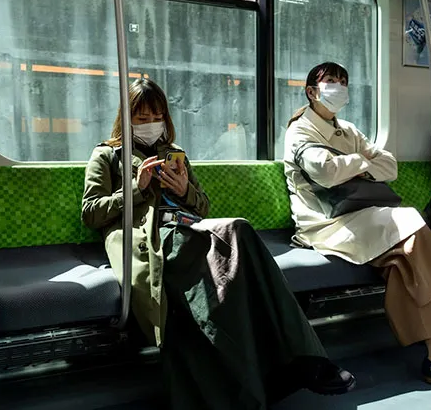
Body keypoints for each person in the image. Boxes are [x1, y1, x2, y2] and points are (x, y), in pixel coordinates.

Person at [81, 78, 354, 409]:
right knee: (237, 235)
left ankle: (297, 363)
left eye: (156, 116)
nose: (150, 124)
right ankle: (305, 360)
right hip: (150, 237)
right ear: (126, 119)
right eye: (141, 118)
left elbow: (202, 208)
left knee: (237, 242)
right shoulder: (108, 156)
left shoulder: (174, 155)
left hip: (188, 229)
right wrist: (136, 189)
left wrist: (184, 190)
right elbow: (91, 213)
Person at [284, 62, 431, 399]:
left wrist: (354, 164)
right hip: (326, 224)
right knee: (410, 223)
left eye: (343, 81)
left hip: (362, 216)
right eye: (330, 82)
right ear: (311, 91)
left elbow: (390, 166)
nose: (338, 87)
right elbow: (324, 172)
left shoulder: (348, 130)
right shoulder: (300, 131)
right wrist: (364, 163)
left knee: (405, 258)